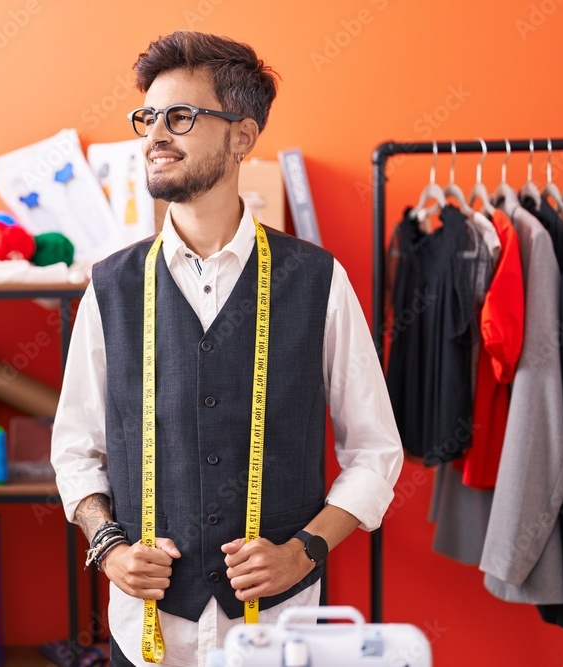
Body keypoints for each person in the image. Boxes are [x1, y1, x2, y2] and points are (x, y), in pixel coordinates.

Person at [51, 31, 404, 666]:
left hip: (280, 631)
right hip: (149, 632)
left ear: (241, 137)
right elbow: (75, 450)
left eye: (181, 117)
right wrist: (109, 550)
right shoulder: (109, 287)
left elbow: (376, 453)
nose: (157, 135)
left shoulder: (318, 281)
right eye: (148, 118)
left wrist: (303, 551)